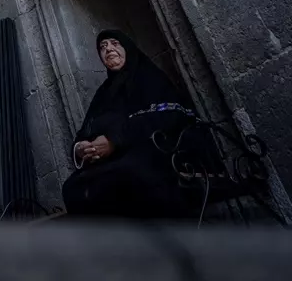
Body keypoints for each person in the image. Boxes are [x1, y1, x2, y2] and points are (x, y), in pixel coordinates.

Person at [61, 29, 194, 219]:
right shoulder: (102, 94)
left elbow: (170, 116)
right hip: (113, 161)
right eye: (102, 47)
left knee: (129, 173)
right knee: (72, 187)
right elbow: (85, 131)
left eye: (115, 43)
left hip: (155, 151)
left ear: (128, 49)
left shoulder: (148, 76)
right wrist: (82, 148)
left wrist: (114, 140)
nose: (108, 49)